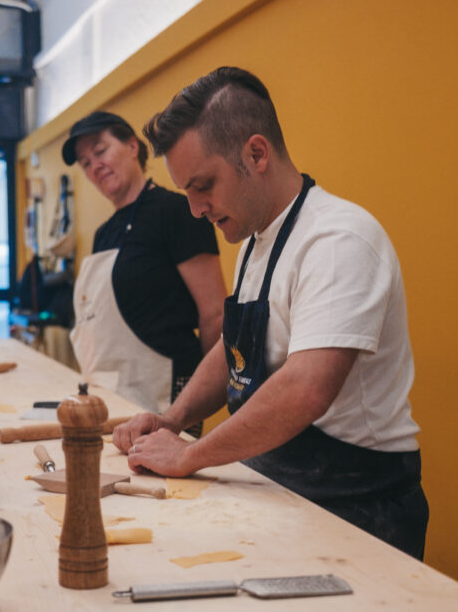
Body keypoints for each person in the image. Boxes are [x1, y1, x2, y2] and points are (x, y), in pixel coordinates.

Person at [113, 67, 429, 559]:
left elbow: (306, 387)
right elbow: (232, 350)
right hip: (280, 484)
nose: (196, 209)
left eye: (204, 186)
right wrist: (172, 422)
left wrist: (192, 455)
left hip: (359, 507)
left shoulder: (338, 239)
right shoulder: (256, 243)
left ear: (256, 154)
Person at [62, 110, 226, 415]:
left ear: (133, 147)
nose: (94, 165)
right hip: (110, 389)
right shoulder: (104, 234)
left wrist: (209, 392)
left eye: (100, 151)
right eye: (85, 163)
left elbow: (214, 312)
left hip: (167, 388)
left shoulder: (177, 212)